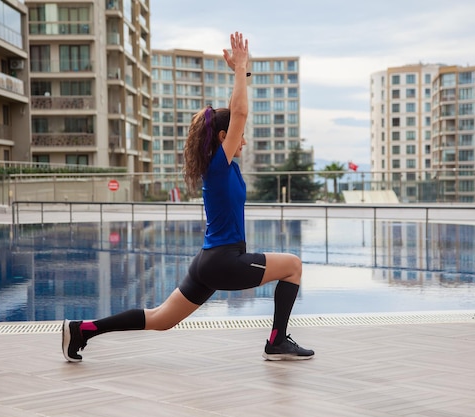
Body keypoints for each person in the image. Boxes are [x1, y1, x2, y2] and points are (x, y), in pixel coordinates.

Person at [62, 31, 314, 362]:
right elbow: (237, 114)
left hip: (208, 262)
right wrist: (240, 68)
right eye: (240, 137)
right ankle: (277, 340)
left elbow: (229, 116)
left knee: (160, 319)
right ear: (225, 137)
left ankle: (82, 330)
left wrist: (240, 74)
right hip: (224, 260)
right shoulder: (220, 166)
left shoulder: (221, 165)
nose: (245, 141)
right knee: (293, 265)